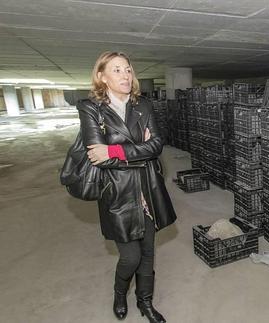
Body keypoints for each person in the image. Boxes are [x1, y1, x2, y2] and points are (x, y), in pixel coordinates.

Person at [77, 51, 177, 323]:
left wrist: (116, 151)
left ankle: (145, 303)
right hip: (117, 193)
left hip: (148, 189)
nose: (125, 75)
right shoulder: (90, 108)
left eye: (128, 69)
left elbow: (156, 146)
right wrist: (136, 149)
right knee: (130, 257)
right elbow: (98, 158)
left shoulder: (143, 105)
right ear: (102, 76)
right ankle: (120, 293)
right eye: (117, 70)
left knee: (148, 253)